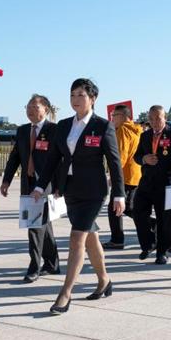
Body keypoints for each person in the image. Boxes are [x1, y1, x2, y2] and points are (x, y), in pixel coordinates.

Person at [30, 78, 125, 314]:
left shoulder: (103, 126)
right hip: (70, 190)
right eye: (72, 95)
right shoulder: (63, 125)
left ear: (92, 99)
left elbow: (114, 162)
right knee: (89, 235)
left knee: (76, 239)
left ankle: (65, 293)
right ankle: (104, 281)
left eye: (80, 95)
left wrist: (119, 194)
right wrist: (41, 187)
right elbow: (53, 158)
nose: (75, 99)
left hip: (94, 192)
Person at [1, 94, 61, 283]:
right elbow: (15, 158)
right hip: (28, 183)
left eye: (35, 107)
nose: (30, 111)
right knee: (43, 224)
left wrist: (60, 186)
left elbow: (61, 160)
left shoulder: (55, 130)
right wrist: (6, 181)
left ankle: (34, 267)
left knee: (34, 224)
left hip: (46, 184)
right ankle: (52, 264)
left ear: (46, 109)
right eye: (27, 107)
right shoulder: (22, 131)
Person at [132, 105, 171, 264]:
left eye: (158, 118)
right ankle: (149, 243)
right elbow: (137, 156)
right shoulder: (145, 135)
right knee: (138, 212)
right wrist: (144, 159)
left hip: (168, 183)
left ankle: (163, 252)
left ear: (165, 117)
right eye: (151, 118)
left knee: (166, 219)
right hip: (146, 182)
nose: (154, 121)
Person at [102, 104, 143, 250]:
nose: (112, 119)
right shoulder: (136, 130)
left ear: (120, 116)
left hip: (124, 175)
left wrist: (114, 175)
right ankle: (151, 224)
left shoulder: (123, 131)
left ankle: (117, 239)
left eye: (113, 116)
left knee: (115, 209)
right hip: (134, 174)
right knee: (128, 207)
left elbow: (120, 155)